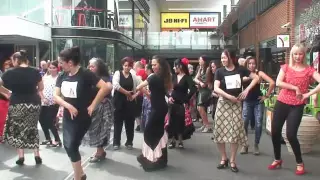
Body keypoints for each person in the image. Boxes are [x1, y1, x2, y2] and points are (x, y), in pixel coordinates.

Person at [54, 47, 111, 180]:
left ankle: (77, 176)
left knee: (72, 144)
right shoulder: (62, 76)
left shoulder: (85, 74)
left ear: (70, 63)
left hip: (83, 116)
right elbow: (55, 96)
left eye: (61, 62)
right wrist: (67, 106)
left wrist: (93, 105)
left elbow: (106, 87)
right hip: (68, 115)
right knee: (68, 145)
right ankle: (80, 174)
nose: (59, 65)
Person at [269, 43, 320, 175]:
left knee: (291, 134)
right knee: (275, 132)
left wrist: (307, 94)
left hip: (297, 105)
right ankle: (277, 158)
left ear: (304, 55)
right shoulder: (286, 67)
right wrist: (295, 88)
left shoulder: (309, 70)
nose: (297, 56)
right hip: (282, 102)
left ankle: (300, 163)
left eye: (300, 53)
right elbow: (279, 82)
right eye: (295, 54)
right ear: (292, 55)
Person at [213, 49, 259, 173]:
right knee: (219, 130)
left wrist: (246, 90)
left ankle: (233, 160)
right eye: (222, 58)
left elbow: (256, 78)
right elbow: (215, 88)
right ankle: (224, 158)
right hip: (223, 103)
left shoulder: (240, 69)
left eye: (225, 57)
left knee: (235, 132)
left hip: (236, 104)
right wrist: (228, 97)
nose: (223, 60)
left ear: (231, 58)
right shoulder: (219, 71)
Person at [0, 50, 44, 165]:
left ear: (16, 60)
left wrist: (7, 92)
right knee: (32, 128)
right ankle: (37, 155)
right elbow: (41, 87)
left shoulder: (9, 72)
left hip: (17, 103)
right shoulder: (35, 71)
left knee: (18, 130)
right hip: (34, 103)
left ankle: (21, 157)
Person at [136, 55, 172, 171]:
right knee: (158, 132)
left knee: (149, 132)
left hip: (158, 109)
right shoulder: (164, 77)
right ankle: (158, 157)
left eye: (155, 64)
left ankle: (153, 159)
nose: (153, 66)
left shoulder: (153, 77)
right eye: (152, 65)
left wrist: (140, 82)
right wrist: (147, 93)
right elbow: (154, 95)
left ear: (160, 65)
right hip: (161, 107)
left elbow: (138, 87)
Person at [240, 56, 275, 155]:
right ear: (246, 64)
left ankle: (256, 144)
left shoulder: (259, 73)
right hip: (247, 101)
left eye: (253, 63)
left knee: (258, 123)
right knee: (245, 122)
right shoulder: (243, 73)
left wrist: (266, 96)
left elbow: (272, 83)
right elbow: (239, 81)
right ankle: (245, 144)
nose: (251, 65)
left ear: (256, 64)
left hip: (258, 101)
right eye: (249, 63)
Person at [83, 58, 113, 163]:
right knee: (95, 130)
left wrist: (102, 97)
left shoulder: (103, 78)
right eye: (89, 66)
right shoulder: (89, 78)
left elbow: (109, 87)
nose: (90, 68)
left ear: (98, 67)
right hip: (92, 107)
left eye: (93, 66)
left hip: (101, 108)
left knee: (99, 130)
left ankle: (99, 152)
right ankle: (100, 151)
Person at [112, 57, 141, 150]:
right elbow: (116, 85)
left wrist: (134, 95)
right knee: (117, 123)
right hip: (118, 102)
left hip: (129, 102)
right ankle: (116, 142)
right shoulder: (117, 73)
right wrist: (126, 92)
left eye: (129, 66)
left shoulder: (133, 75)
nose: (127, 68)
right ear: (122, 66)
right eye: (125, 66)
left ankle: (129, 142)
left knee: (130, 123)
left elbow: (140, 86)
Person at [167, 58, 196, 149]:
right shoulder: (173, 77)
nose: (174, 68)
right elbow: (166, 88)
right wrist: (169, 96)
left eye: (175, 66)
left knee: (180, 121)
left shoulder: (187, 77)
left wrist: (186, 99)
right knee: (171, 122)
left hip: (181, 103)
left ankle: (180, 141)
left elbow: (193, 89)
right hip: (172, 102)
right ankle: (172, 141)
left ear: (180, 66)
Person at [39, 60, 62, 147]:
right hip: (43, 102)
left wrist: (57, 100)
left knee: (49, 121)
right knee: (41, 120)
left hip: (54, 103)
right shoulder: (45, 77)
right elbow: (39, 89)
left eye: (54, 68)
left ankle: (57, 139)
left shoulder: (60, 78)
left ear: (57, 68)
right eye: (50, 68)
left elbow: (61, 92)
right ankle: (47, 138)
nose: (52, 69)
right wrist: (43, 98)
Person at [194, 56, 212, 132]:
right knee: (199, 108)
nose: (199, 61)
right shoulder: (200, 68)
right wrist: (199, 82)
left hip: (206, 90)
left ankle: (207, 125)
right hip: (201, 89)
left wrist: (199, 82)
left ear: (204, 61)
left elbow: (205, 82)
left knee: (200, 107)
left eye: (200, 59)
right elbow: (195, 78)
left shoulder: (208, 69)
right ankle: (205, 124)